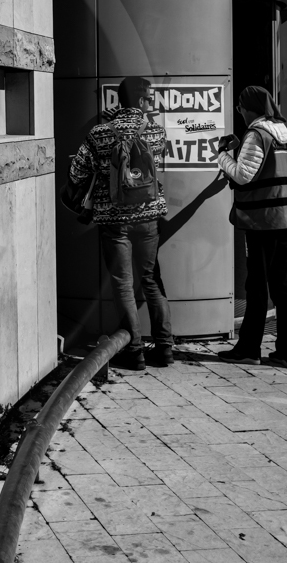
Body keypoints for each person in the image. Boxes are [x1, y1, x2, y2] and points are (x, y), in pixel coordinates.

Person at [68, 77, 173, 371]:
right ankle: (165, 348)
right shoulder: (155, 132)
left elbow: (77, 172)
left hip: (114, 221)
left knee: (123, 285)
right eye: (148, 99)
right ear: (139, 102)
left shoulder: (100, 133)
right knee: (151, 280)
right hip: (149, 217)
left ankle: (135, 352)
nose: (150, 103)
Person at [216, 86, 287, 369]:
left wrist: (223, 155)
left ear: (249, 108)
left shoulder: (257, 134)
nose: (238, 111)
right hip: (285, 219)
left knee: (256, 286)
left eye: (240, 106)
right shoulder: (281, 133)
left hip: (262, 221)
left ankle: (249, 348)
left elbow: (243, 175)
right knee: (282, 285)